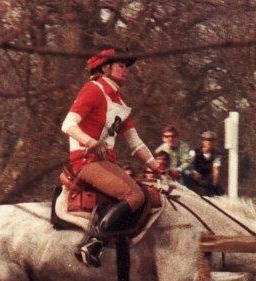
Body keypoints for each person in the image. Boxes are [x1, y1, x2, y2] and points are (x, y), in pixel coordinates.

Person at [59, 44, 163, 267]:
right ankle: (93, 243)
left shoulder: (119, 103)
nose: (126, 70)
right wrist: (90, 142)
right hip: (85, 161)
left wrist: (157, 167)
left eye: (126, 66)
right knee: (135, 195)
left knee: (145, 193)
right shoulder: (93, 89)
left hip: (104, 163)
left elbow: (135, 142)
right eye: (121, 65)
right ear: (105, 69)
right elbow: (68, 124)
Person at [187, 131, 223, 196]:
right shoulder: (194, 152)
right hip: (195, 180)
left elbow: (216, 171)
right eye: (206, 140)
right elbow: (187, 165)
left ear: (214, 142)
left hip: (208, 180)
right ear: (203, 141)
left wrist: (214, 185)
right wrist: (193, 172)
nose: (209, 142)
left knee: (219, 193)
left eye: (211, 140)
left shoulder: (217, 155)